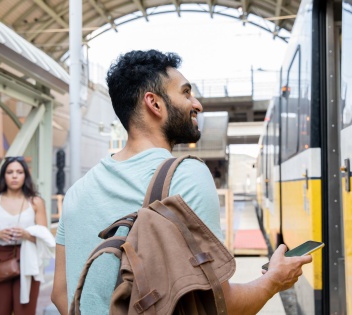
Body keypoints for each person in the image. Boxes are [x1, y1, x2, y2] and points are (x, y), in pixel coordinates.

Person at [51, 50, 312, 315]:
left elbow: (61, 294)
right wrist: (274, 280)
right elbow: (222, 305)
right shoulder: (185, 176)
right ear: (154, 104)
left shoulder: (76, 192)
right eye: (186, 93)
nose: (197, 104)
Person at [0, 156, 49, 314]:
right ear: (3, 175)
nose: (15, 176)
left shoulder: (35, 201)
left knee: (25, 311)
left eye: (19, 172)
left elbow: (44, 236)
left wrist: (25, 233)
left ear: (25, 175)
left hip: (28, 259)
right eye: (10, 172)